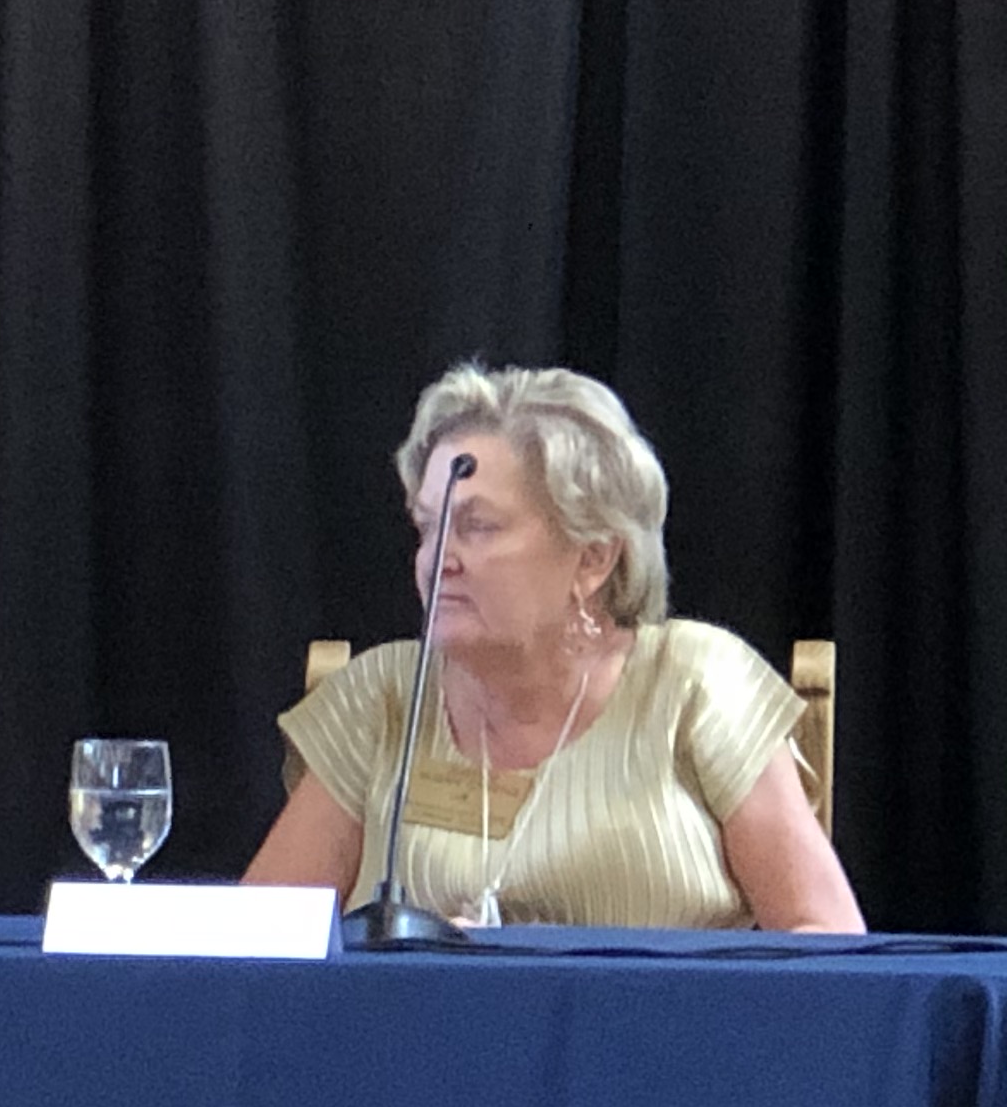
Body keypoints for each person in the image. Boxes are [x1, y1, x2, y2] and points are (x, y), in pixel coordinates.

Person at [243, 363, 860, 932]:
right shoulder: (382, 700)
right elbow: (256, 946)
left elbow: (826, 938)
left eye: (477, 527)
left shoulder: (696, 683)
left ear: (592, 558)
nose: (438, 560)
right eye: (428, 526)